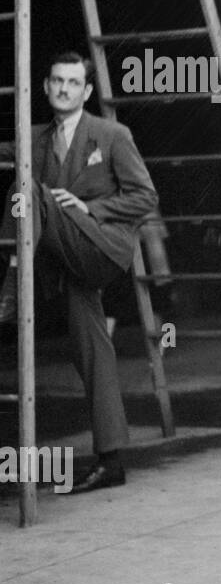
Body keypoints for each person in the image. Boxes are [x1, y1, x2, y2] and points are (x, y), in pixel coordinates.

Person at [0, 52, 158, 493]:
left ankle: (13, 280)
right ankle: (112, 461)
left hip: (100, 247)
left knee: (26, 187)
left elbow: (145, 196)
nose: (63, 89)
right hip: (65, 261)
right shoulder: (32, 137)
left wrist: (92, 206)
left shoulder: (112, 135)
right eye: (56, 82)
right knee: (92, 351)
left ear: (87, 91)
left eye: (73, 83)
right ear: (46, 87)